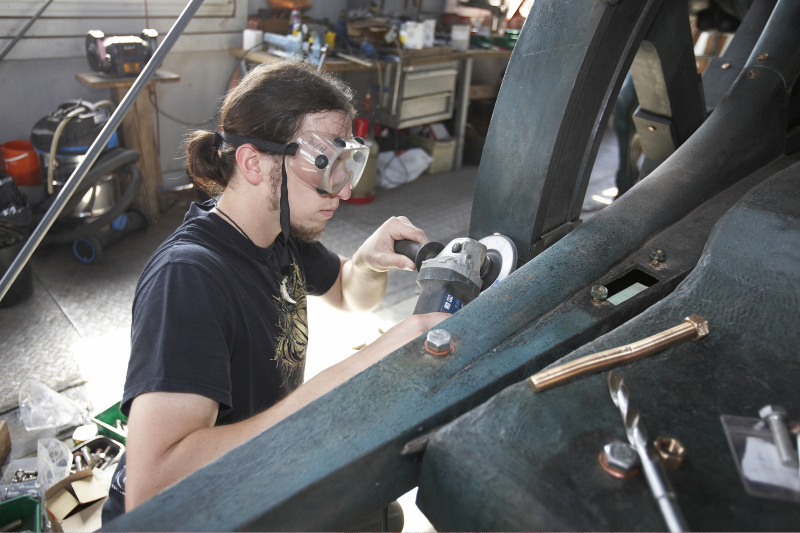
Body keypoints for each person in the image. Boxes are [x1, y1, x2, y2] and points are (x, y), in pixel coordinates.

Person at [101, 60, 447, 523]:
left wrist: (364, 261)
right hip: (191, 514)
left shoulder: (279, 234)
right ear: (252, 162)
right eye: (324, 165)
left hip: (253, 468)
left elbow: (350, 293)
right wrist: (368, 365)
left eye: (347, 165)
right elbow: (153, 489)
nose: (341, 191)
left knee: (384, 516)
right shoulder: (188, 278)